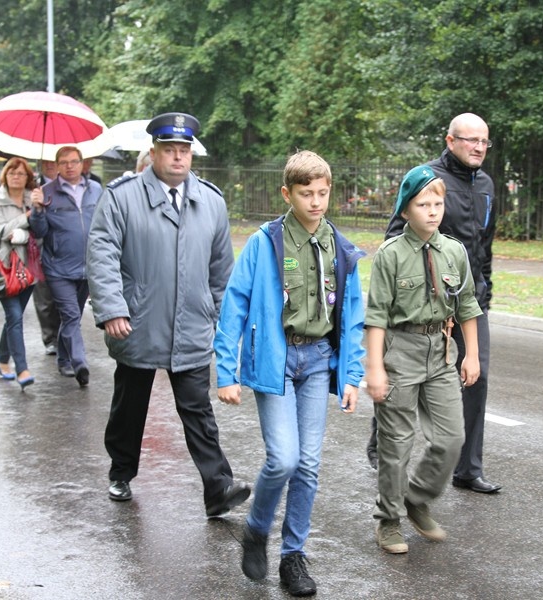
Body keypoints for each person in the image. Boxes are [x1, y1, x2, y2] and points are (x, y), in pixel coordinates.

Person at [214, 150, 366, 596]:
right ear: (287, 193)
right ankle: (257, 528)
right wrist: (225, 372)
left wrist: (352, 374)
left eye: (322, 193)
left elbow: (353, 315)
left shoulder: (340, 246)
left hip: (318, 361)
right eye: (306, 194)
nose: (316, 202)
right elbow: (234, 306)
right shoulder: (266, 242)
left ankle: (293, 557)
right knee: (283, 458)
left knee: (309, 466)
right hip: (276, 361)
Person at [87, 112, 250, 515]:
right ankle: (121, 471)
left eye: (184, 150)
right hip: (137, 322)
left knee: (198, 409)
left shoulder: (211, 202)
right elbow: (102, 254)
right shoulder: (122, 197)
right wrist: (111, 309)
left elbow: (220, 269)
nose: (178, 157)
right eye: (170, 150)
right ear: (154, 152)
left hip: (192, 323)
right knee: (130, 405)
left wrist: (220, 318)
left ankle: (218, 489)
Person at [370, 113, 500, 494]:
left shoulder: (488, 185)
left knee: (478, 375)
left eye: (484, 142)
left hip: (468, 300)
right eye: (470, 140)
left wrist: (484, 285)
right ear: (450, 140)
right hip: (425, 306)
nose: (478, 148)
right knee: (404, 382)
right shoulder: (426, 179)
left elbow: (484, 244)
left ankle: (467, 467)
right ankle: (380, 437)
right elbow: (397, 237)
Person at [366, 165, 483, 554]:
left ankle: (417, 497)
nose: (432, 211)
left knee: (452, 439)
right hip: (400, 352)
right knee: (396, 443)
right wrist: (375, 368)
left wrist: (472, 356)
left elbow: (466, 305)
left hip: (441, 352)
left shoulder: (454, 251)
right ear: (405, 210)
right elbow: (377, 316)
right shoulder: (391, 255)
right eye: (423, 204)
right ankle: (389, 520)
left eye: (438, 203)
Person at [30, 146, 101, 386]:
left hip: (87, 265)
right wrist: (37, 210)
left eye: (74, 161)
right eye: (64, 162)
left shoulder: (96, 190)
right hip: (58, 267)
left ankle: (63, 359)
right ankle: (79, 363)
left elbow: (103, 224)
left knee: (72, 316)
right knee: (71, 315)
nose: (69, 166)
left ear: (82, 163)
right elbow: (39, 231)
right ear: (57, 166)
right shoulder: (46, 192)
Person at [0, 158, 39, 390]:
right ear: (5, 176)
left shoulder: (33, 199)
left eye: (21, 173)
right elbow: (1, 232)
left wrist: (36, 211)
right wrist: (25, 219)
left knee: (13, 318)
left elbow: (42, 230)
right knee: (15, 317)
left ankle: (1, 358)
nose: (16, 177)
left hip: (30, 266)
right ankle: (22, 368)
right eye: (12, 173)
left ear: (28, 177)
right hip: (5, 265)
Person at [31, 159, 61, 357]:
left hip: (63, 250)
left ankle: (63, 337)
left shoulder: (69, 186)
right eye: (46, 162)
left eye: (53, 162)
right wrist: (36, 206)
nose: (49, 165)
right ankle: (49, 338)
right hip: (40, 250)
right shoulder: (33, 185)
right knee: (44, 299)